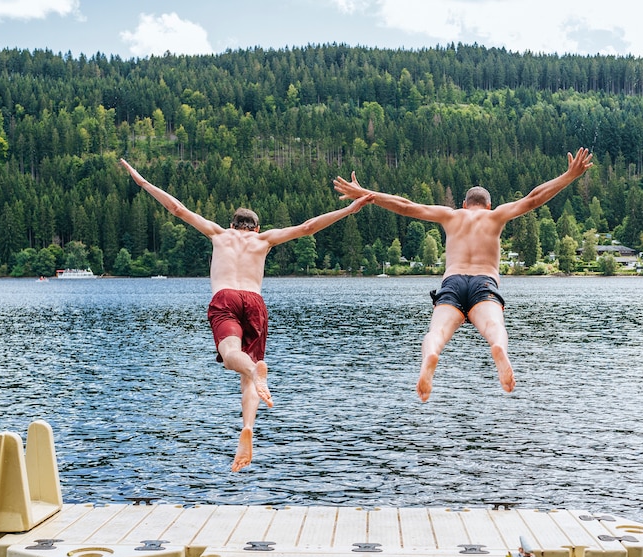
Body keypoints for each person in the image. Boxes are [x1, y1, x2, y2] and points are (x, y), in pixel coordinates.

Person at [122, 159, 373, 471]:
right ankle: (249, 426)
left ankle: (254, 373)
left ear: (231, 226)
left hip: (225, 296)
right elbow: (308, 227)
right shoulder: (264, 239)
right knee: (247, 373)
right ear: (256, 227)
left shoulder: (218, 234)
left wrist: (143, 183)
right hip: (254, 301)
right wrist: (350, 210)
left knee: (230, 355)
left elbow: (178, 209)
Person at [334, 148, 593, 402]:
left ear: (464, 205)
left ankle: (430, 358)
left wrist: (367, 194)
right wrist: (569, 176)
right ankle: (499, 349)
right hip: (484, 283)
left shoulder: (451, 216)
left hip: (453, 282)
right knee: (494, 327)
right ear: (489, 205)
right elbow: (534, 198)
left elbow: (405, 206)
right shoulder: (496, 216)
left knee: (436, 332)